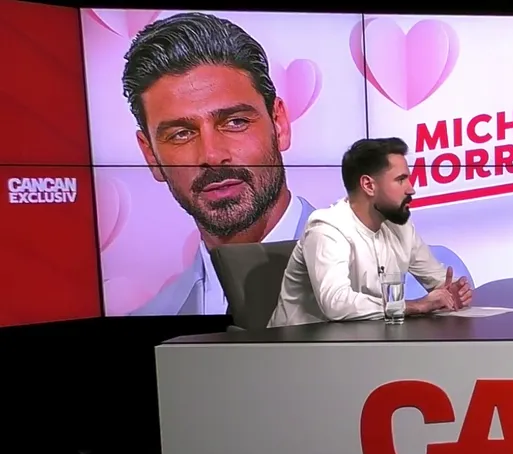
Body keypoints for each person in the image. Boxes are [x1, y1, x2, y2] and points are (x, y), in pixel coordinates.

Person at [121, 12, 315, 316]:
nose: (211, 155)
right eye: (182, 134)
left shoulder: (387, 277)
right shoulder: (152, 317)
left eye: (235, 122)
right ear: (151, 155)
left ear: (279, 125)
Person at [268, 138, 471, 327]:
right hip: (296, 344)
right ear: (368, 185)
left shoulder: (400, 228)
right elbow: (336, 303)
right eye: (401, 180)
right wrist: (415, 305)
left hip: (361, 340)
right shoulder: (327, 228)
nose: (411, 189)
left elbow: (439, 280)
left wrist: (453, 292)